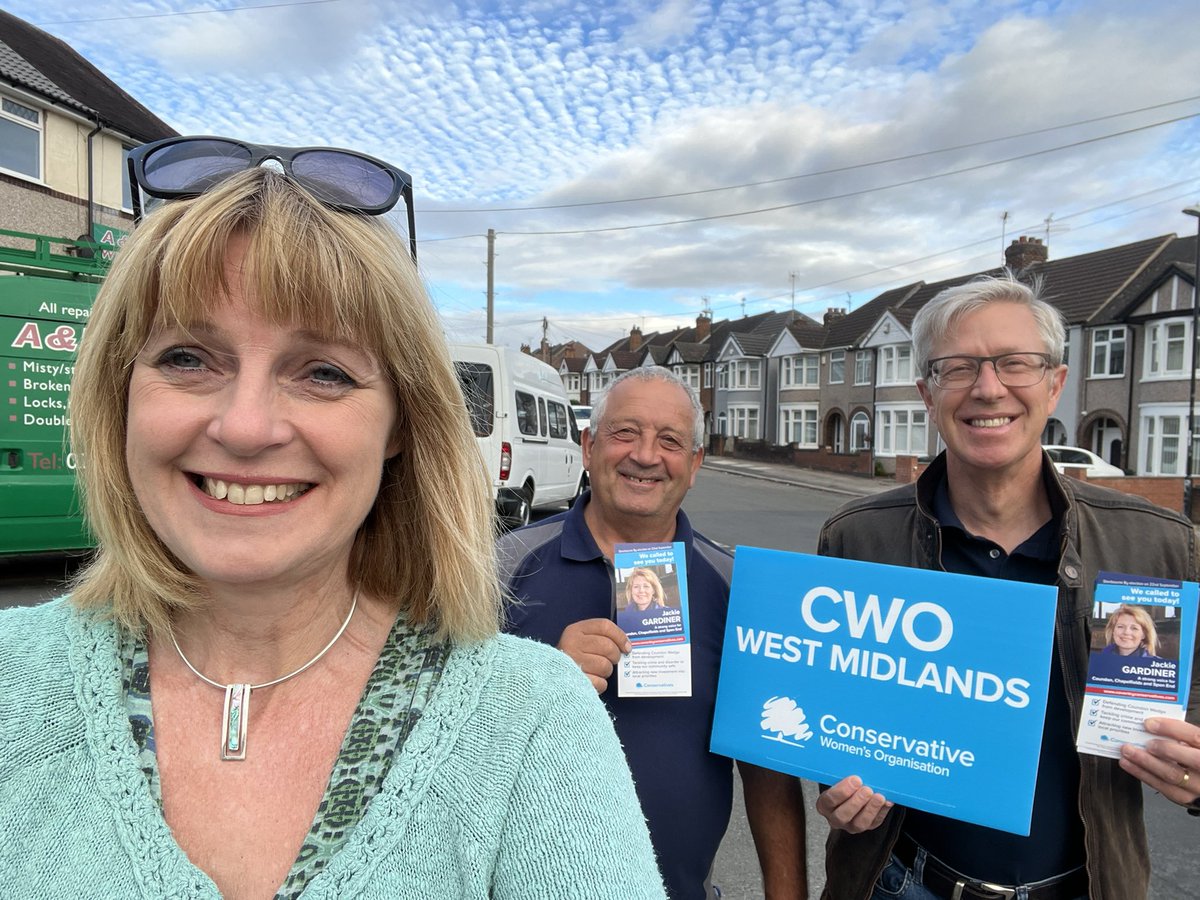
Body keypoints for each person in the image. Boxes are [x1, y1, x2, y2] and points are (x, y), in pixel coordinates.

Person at [0, 138, 665, 899]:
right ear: (118, 395)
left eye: (323, 372)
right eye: (188, 358)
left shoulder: (531, 723)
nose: (246, 427)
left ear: (400, 428)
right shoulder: (12, 681)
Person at [814, 274, 1200, 900]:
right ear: (926, 393)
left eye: (1014, 363)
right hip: (902, 882)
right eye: (958, 367)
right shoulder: (858, 539)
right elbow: (828, 718)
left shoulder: (1153, 546)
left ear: (1055, 383)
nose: (988, 387)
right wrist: (834, 787)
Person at [499, 367, 808, 900]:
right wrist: (541, 680)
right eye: (625, 433)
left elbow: (767, 772)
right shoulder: (501, 567)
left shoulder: (738, 588)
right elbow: (435, 734)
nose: (645, 455)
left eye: (670, 441)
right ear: (589, 445)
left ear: (694, 464)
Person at [617, 567, 670, 634]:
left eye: (646, 586)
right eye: (636, 586)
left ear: (653, 590)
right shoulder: (623, 618)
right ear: (631, 591)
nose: (641, 591)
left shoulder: (667, 614)